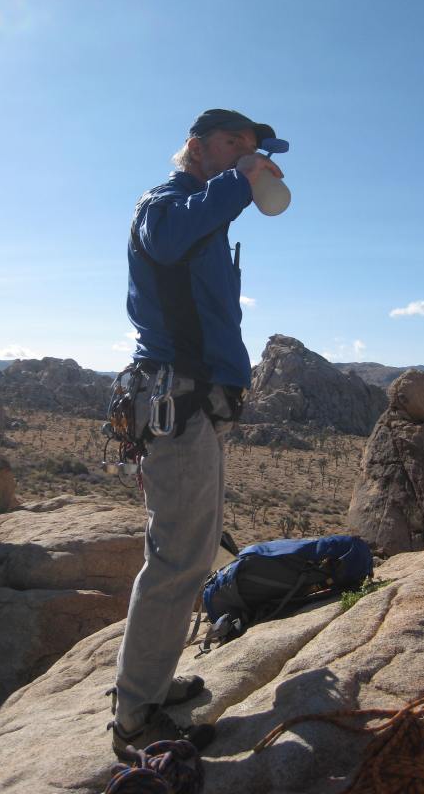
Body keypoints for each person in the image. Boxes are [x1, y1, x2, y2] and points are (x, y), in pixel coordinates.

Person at [109, 109, 286, 759]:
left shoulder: (205, 214)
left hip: (192, 401)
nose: (245, 152)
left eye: (253, 147)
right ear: (196, 145)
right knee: (178, 559)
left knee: (190, 548)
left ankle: (146, 686)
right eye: (233, 142)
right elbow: (165, 240)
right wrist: (241, 179)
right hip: (172, 400)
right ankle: (136, 718)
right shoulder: (165, 204)